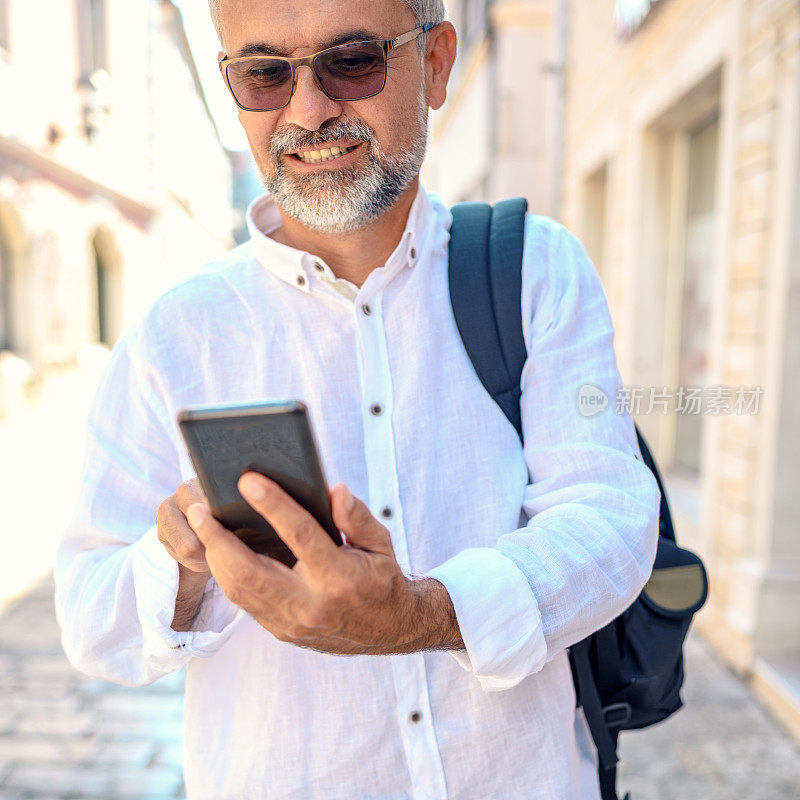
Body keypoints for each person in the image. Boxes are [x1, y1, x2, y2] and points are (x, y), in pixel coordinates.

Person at [54, 0, 660, 797]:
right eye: (265, 73)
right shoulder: (176, 334)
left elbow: (609, 519)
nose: (308, 110)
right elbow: (91, 620)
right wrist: (182, 562)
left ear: (436, 64)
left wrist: (424, 612)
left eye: (353, 60)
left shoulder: (536, 272)